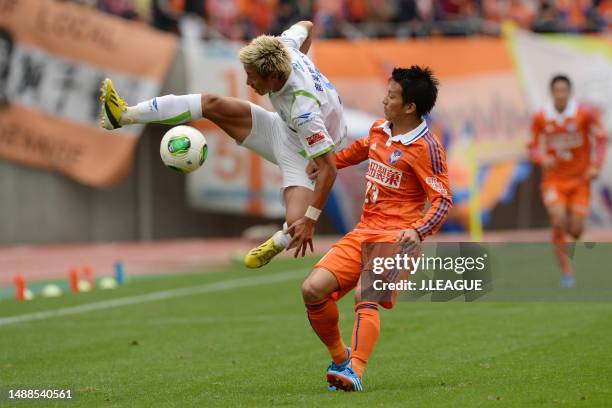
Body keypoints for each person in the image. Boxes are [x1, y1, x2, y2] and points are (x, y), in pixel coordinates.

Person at [99, 21, 346, 267]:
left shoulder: (304, 111)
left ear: (272, 76)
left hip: (304, 153)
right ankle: (122, 115)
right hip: (284, 129)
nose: (248, 83)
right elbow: (307, 24)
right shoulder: (284, 46)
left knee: (297, 224)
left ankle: (280, 239)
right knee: (212, 104)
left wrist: (311, 220)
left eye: (252, 77)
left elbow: (329, 169)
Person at [302, 66, 452, 391]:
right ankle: (340, 358)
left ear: (410, 107)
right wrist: (326, 163)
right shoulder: (379, 130)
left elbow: (442, 200)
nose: (384, 100)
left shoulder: (427, 148)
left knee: (365, 295)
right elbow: (357, 152)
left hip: (398, 239)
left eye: (392, 96)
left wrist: (419, 231)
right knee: (312, 290)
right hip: (363, 232)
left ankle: (354, 371)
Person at [529, 74, 607, 288]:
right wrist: (541, 157)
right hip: (554, 180)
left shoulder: (584, 114)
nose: (561, 94)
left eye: (564, 90)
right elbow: (532, 145)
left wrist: (595, 166)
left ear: (570, 92)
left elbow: (601, 138)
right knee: (557, 219)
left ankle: (573, 233)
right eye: (557, 91)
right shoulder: (541, 116)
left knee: (576, 230)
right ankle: (566, 271)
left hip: (580, 180)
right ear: (552, 93)